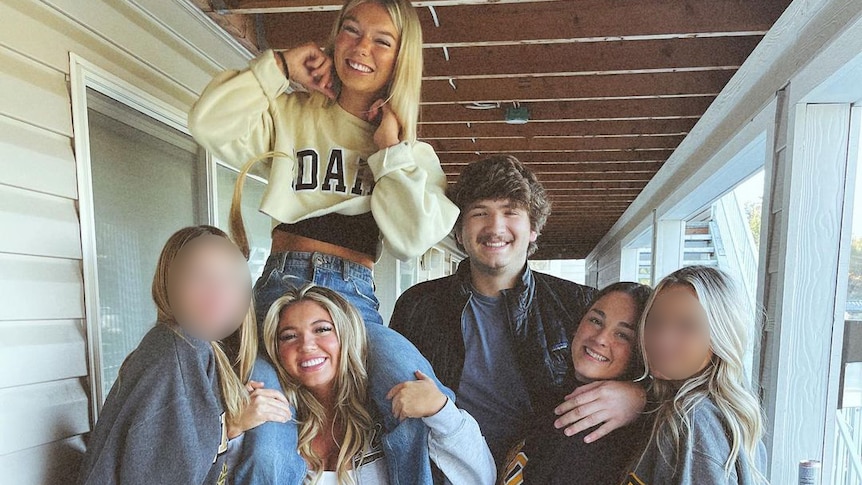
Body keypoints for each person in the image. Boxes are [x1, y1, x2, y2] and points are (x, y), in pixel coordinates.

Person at [188, 0, 459, 483]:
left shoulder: (410, 152)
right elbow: (209, 124)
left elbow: (412, 237)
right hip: (278, 294)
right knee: (267, 430)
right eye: (351, 31)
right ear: (334, 38)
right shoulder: (291, 113)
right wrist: (277, 67)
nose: (361, 48)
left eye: (382, 40)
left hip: (355, 301)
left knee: (411, 389)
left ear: (401, 58)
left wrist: (391, 151)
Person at [390, 155, 648, 472]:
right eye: (480, 213)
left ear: (534, 229)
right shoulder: (417, 305)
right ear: (459, 231)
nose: (495, 227)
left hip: (539, 469)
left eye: (510, 213)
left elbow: (658, 369)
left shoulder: (578, 304)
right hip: (445, 472)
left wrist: (638, 398)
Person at [76, 225, 286, 484]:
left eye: (231, 278)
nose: (218, 292)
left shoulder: (201, 351)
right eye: (199, 278)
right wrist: (231, 428)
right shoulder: (180, 349)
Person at [262, 284, 496, 485]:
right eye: (289, 336)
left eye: (322, 329)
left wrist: (441, 411)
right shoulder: (277, 427)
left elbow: (481, 477)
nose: (306, 345)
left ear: (346, 335)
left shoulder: (386, 415)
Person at [624, 266, 768, 484]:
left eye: (687, 326)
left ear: (721, 337)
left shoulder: (692, 422)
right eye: (655, 322)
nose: (662, 339)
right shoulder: (713, 412)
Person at [501, 282, 654, 485]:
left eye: (622, 335)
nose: (601, 338)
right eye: (596, 320)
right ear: (577, 325)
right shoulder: (553, 395)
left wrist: (644, 398)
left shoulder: (606, 437)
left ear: (640, 352)